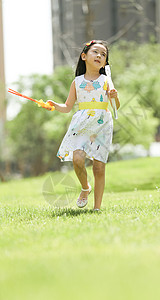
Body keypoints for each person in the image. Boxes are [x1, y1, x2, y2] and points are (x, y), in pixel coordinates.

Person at [46, 40, 120, 211]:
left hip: (102, 124)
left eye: (103, 55)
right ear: (84, 56)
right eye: (96, 52)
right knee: (78, 159)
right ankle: (85, 187)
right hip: (82, 123)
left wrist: (114, 96)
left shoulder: (106, 80)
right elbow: (67, 107)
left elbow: (116, 107)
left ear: (105, 62)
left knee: (99, 167)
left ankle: (97, 208)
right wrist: (54, 105)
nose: (100, 56)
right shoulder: (77, 82)